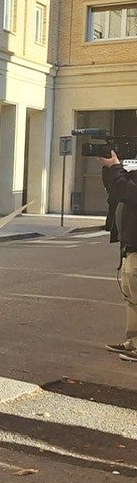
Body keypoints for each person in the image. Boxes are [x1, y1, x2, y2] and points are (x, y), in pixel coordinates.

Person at [100, 149, 137, 360]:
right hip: (131, 244)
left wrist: (115, 167)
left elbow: (127, 192)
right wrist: (110, 168)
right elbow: (115, 191)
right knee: (131, 297)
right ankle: (134, 342)